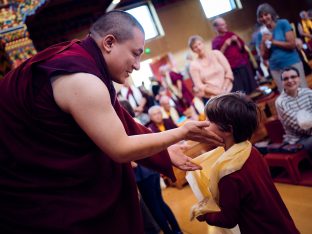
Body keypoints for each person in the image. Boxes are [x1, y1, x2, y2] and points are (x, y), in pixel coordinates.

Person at [0, 11, 224, 234]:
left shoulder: (82, 61)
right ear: (109, 43)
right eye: (135, 54)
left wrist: (164, 151)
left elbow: (123, 122)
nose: (137, 65)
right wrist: (181, 132)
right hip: (33, 191)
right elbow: (120, 149)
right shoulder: (82, 79)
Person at [194, 92, 299, 233]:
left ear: (228, 129)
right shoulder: (251, 150)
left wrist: (204, 214)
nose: (204, 123)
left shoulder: (229, 173)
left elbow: (228, 219)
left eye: (210, 120)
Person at [256, 3, 308, 92]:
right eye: (261, 16)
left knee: (301, 90)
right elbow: (264, 56)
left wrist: (273, 41)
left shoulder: (283, 23)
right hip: (276, 68)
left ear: (271, 14)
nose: (264, 18)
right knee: (286, 95)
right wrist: (264, 43)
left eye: (266, 14)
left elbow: (292, 45)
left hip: (292, 63)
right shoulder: (260, 34)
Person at [212, 17, 258, 94]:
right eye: (222, 25)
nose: (225, 26)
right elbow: (217, 57)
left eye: (225, 24)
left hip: (242, 64)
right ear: (216, 28)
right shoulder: (215, 41)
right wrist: (225, 45)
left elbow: (242, 48)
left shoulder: (231, 34)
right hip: (232, 69)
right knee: (240, 92)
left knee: (251, 88)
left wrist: (236, 41)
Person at [275, 66, 312, 155]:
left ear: (299, 78)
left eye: (293, 77)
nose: (290, 80)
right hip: (298, 140)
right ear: (282, 82)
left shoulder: (308, 92)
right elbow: (301, 127)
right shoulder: (281, 102)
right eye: (285, 79)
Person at [188, 35, 234, 100]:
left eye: (199, 44)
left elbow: (229, 72)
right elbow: (199, 85)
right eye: (195, 47)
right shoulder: (193, 65)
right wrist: (218, 93)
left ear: (203, 43)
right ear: (193, 50)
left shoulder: (217, 54)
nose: (199, 48)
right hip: (213, 98)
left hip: (229, 90)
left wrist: (224, 89)